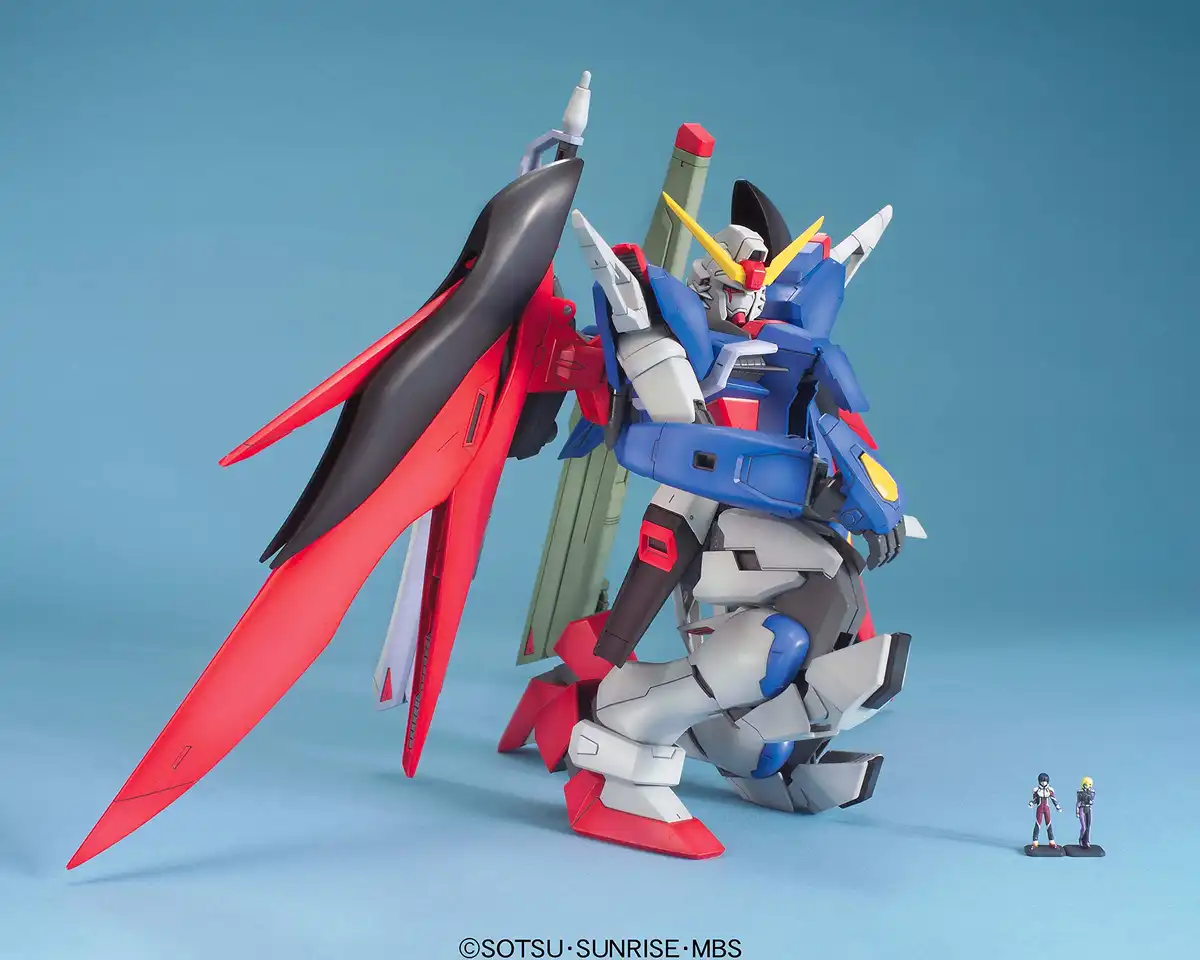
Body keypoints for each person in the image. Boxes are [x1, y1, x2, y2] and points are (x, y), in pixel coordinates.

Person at [1029, 772, 1062, 848]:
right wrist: (1031, 803)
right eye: (1042, 781)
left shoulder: (1050, 790)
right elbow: (1035, 799)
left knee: (1048, 823)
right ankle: (1035, 841)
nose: (1044, 783)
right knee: (1038, 824)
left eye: (1045, 781)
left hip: (1047, 808)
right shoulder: (1036, 790)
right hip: (1040, 808)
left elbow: (1053, 799)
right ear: (1039, 781)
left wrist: (1057, 806)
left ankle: (1051, 841)